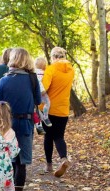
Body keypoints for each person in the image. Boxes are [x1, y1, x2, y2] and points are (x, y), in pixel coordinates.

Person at [0, 48, 42, 191]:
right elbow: (38, 101)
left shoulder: (4, 80)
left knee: (9, 160)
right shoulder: (32, 78)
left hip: (7, 124)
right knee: (21, 162)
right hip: (25, 124)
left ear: (12, 59)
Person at [41, 46, 75, 177]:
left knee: (48, 136)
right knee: (59, 136)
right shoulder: (71, 70)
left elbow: (43, 89)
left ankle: (49, 165)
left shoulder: (51, 69)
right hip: (63, 109)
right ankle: (63, 158)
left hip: (48, 109)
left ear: (54, 57)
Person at [34, 57, 52, 127]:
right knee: (47, 103)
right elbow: (41, 82)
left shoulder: (33, 72)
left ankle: (39, 117)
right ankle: (45, 117)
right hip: (42, 91)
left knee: (36, 105)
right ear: (44, 66)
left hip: (35, 92)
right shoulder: (44, 73)